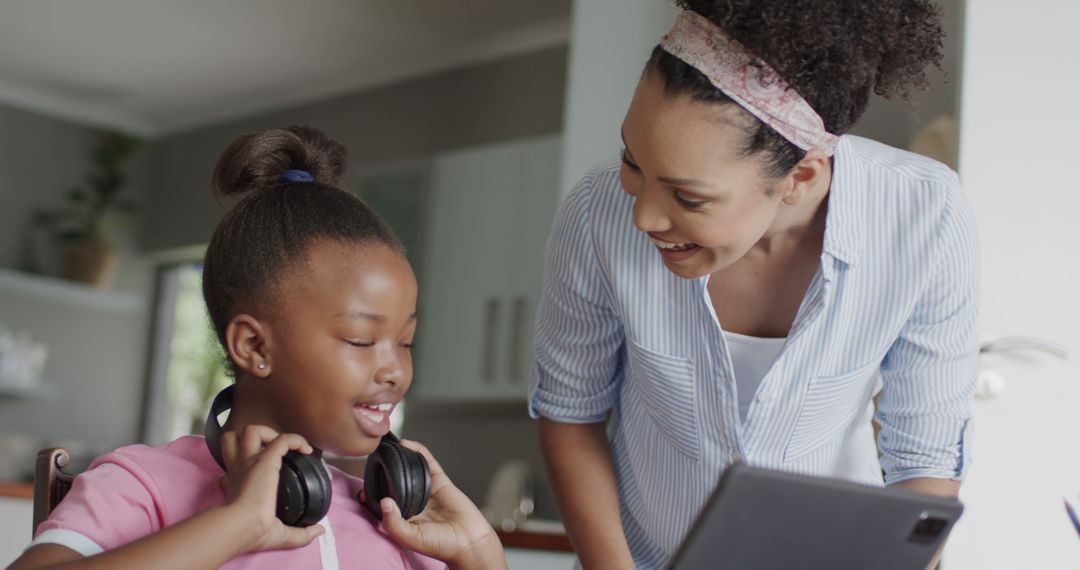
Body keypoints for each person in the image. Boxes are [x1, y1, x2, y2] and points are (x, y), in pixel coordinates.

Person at [529, 1, 978, 568]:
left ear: (801, 177)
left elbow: (925, 462)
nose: (643, 216)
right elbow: (572, 412)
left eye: (688, 197)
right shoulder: (598, 212)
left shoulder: (923, 216)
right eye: (632, 160)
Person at [9, 126, 505, 570]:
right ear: (252, 345)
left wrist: (478, 553)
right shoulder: (143, 485)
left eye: (405, 342)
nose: (395, 369)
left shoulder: (393, 520)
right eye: (360, 340)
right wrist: (236, 524)